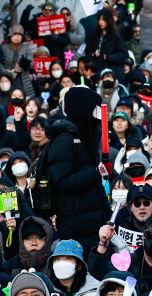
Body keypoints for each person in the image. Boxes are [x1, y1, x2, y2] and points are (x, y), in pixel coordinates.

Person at [43, 87, 112, 251]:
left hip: (91, 220)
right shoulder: (64, 140)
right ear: (82, 108)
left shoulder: (83, 136)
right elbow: (62, 180)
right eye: (93, 108)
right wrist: (95, 172)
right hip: (76, 223)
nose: (96, 112)